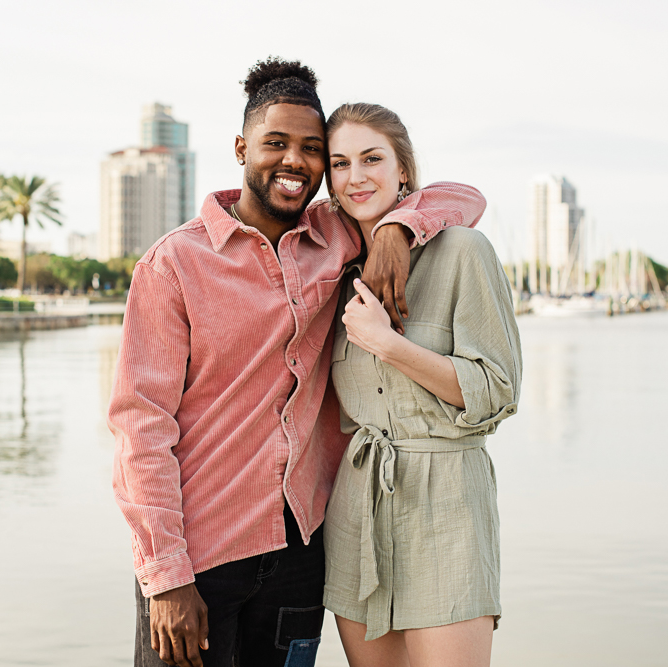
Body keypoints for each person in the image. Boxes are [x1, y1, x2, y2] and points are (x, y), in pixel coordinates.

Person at [108, 58, 487, 667]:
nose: (295, 161)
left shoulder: (335, 236)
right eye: (275, 143)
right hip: (199, 562)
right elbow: (141, 429)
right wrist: (165, 575)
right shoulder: (173, 264)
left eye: (313, 149)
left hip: (300, 557)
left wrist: (397, 228)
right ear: (241, 147)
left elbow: (464, 198)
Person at [321, 103, 522, 667]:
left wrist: (392, 347)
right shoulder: (332, 266)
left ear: (403, 169)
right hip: (357, 509)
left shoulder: (464, 252)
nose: (356, 176)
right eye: (340, 164)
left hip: (448, 506)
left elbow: (498, 392)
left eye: (371, 158)